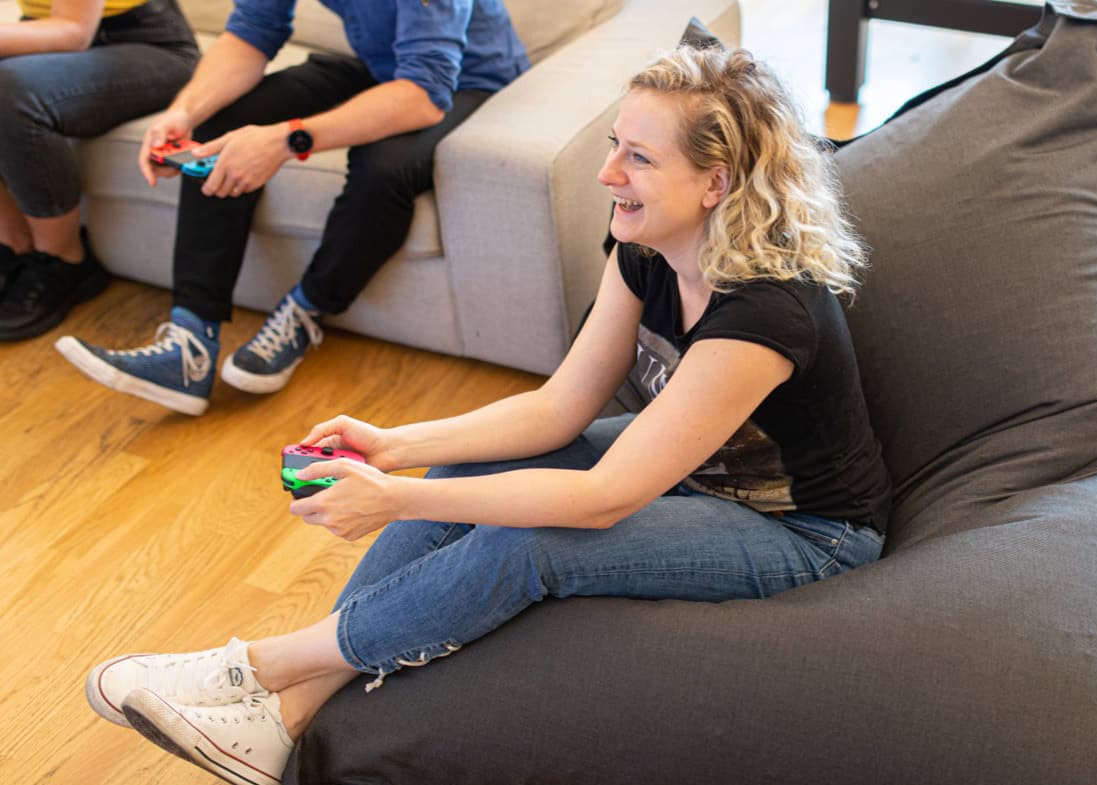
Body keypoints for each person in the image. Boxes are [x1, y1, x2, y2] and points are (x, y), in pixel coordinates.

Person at [83, 45, 893, 785]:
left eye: (639, 157)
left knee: (531, 543)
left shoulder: (767, 312)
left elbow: (601, 499)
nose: (608, 172)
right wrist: (393, 447)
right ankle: (290, 718)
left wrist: (395, 499)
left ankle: (252, 671)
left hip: (802, 529)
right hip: (698, 469)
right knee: (472, 469)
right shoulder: (644, 249)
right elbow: (558, 407)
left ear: (715, 185)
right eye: (616, 142)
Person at [54, 0, 530, 416]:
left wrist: (286, 141)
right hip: (381, 67)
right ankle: (188, 345)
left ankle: (305, 312)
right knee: (225, 125)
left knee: (382, 170)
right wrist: (185, 113)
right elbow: (251, 33)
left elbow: (425, 95)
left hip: (470, 82)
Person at [0, 0, 198, 341]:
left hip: (144, 44)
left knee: (8, 93)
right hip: (44, 31)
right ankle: (13, 247)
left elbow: (75, 31)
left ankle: (64, 260)